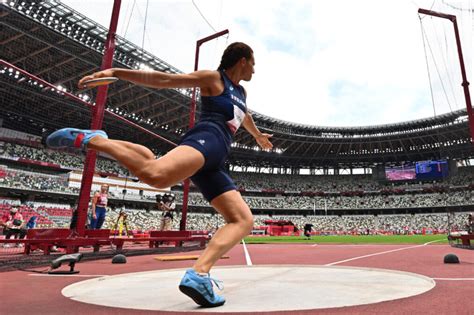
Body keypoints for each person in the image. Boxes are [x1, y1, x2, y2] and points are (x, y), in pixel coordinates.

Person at [46, 42, 272, 307]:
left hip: (217, 161)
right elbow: (165, 80)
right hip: (206, 140)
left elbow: (244, 116)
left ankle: (199, 275)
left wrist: (257, 135)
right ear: (242, 60)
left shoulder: (241, 92)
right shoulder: (213, 78)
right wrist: (117, 72)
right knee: (157, 176)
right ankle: (94, 141)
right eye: (253, 63)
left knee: (242, 220)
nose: (255, 70)